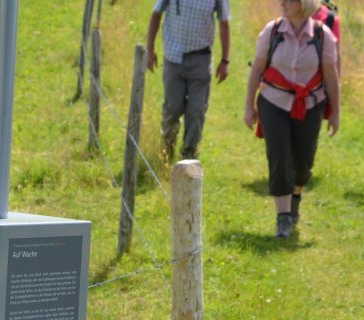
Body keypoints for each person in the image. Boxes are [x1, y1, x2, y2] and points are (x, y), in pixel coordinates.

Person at [244, 0, 341, 238]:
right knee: (278, 154)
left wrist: (335, 112)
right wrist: (249, 106)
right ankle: (283, 217)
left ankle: (296, 195)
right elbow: (257, 69)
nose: (282, 3)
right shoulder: (272, 31)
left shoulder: (322, 35)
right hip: (273, 101)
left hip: (310, 103)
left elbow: (331, 75)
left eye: (289, 0)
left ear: (304, 4)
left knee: (303, 163)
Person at [146, 0, 231, 160]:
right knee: (172, 108)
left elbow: (224, 23)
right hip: (173, 58)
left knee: (196, 111)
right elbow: (156, 13)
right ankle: (166, 153)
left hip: (201, 60)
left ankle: (189, 156)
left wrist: (225, 60)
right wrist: (150, 50)